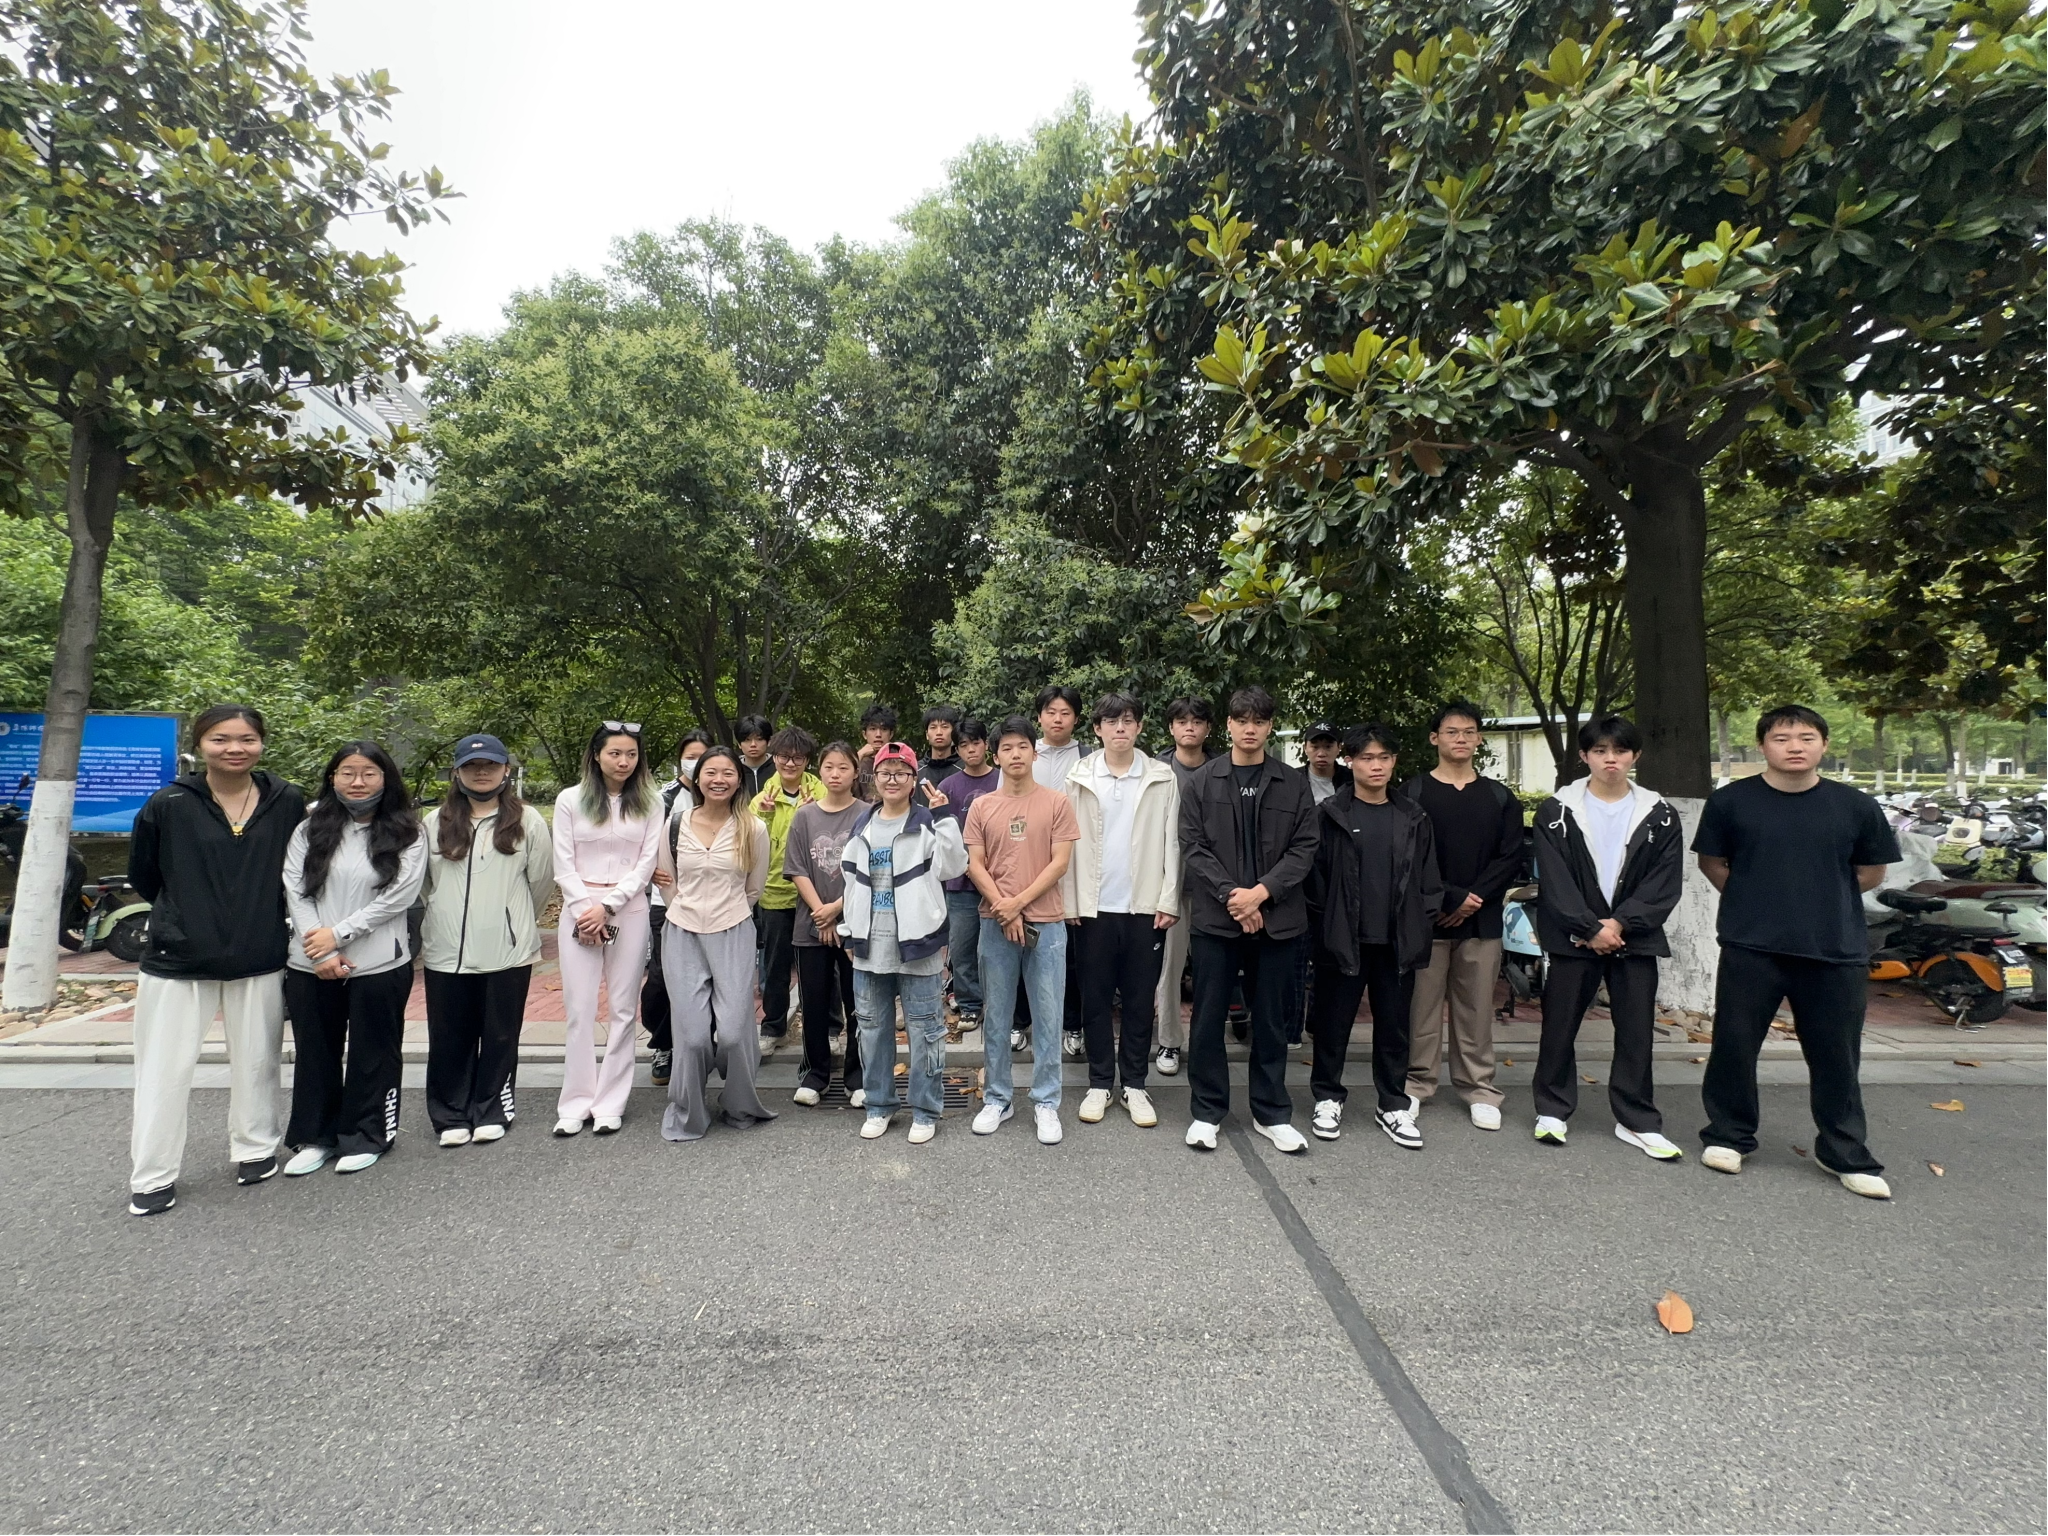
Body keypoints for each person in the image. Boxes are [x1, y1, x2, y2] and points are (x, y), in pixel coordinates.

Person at [1693, 705, 1900, 1199]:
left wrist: (1820, 897)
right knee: (1734, 1046)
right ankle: (1728, 1135)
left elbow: (1871, 872)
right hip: (1751, 945)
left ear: (1824, 745)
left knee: (1836, 1056)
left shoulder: (1855, 806)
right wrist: (1755, 899)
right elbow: (1713, 863)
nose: (1794, 747)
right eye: (1782, 738)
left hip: (1833, 949)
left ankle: (1844, 1151)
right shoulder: (1731, 802)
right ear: (1763, 745)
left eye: (1806, 737)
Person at [123, 705, 306, 1217]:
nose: (234, 749)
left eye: (246, 739)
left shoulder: (286, 800)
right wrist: (189, 915)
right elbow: (145, 875)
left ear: (261, 744)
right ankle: (153, 1175)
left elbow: (296, 870)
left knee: (258, 1061)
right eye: (221, 739)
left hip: (259, 951)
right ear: (200, 744)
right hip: (179, 956)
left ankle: (255, 1148)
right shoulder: (169, 803)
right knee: (163, 1070)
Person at [1530, 716, 1686, 1159]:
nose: (1610, 759)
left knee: (1636, 1031)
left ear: (1635, 756)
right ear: (1585, 756)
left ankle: (1637, 1119)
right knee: (1559, 1026)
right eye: (1600, 751)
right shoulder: (1556, 811)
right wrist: (1589, 927)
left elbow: (1664, 882)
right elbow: (1555, 881)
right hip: (1573, 939)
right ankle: (1552, 1110)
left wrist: (1619, 925)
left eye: (1620, 751)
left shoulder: (1660, 813)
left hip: (1634, 938)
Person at [1178, 686, 1322, 1153]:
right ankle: (1207, 1111)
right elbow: (1193, 845)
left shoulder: (1292, 782)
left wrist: (1260, 894)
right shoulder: (1203, 781)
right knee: (1208, 1019)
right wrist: (1233, 897)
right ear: (1229, 725)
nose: (1250, 729)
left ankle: (1272, 1112)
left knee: (1272, 1021)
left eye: (1259, 721)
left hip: (1278, 919)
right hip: (1217, 921)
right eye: (1242, 720)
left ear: (1269, 727)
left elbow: (1305, 846)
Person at [279, 740, 427, 1177]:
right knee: (315, 1051)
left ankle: (368, 1135)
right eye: (347, 772)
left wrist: (339, 935)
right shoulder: (308, 829)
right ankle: (316, 1137)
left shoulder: (408, 832)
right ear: (333, 778)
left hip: (378, 962)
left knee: (374, 1052)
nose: (357, 781)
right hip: (311, 962)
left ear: (385, 778)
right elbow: (295, 888)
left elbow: (399, 896)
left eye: (368, 773)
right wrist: (321, 946)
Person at [1305, 725, 1442, 1147]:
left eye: (1383, 757)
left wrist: (1421, 923)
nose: (1376, 765)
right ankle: (1327, 1097)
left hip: (1397, 940)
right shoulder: (1331, 814)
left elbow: (1429, 880)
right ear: (1350, 761)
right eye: (1366, 757)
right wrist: (1325, 928)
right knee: (1332, 1025)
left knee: (1395, 1028)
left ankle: (1393, 1104)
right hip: (1343, 937)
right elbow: (1315, 879)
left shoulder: (1413, 816)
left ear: (1394, 761)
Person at [420, 734, 554, 1148]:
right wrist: (443, 914)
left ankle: (493, 1108)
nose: (482, 773)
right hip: (446, 951)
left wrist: (514, 921)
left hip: (506, 950)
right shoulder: (434, 822)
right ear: (457, 772)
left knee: (500, 1034)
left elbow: (541, 882)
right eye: (472, 766)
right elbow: (425, 885)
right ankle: (450, 1114)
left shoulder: (527, 821)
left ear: (505, 770)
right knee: (448, 1035)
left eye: (491, 765)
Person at [1400, 701, 1523, 1131]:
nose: (1461, 739)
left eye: (1469, 732)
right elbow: (1408, 855)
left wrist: (1475, 898)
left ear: (1479, 739)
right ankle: (1416, 1084)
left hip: (1481, 919)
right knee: (1421, 1008)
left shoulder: (1499, 797)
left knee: (1476, 1008)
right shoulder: (1413, 793)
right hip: (1427, 918)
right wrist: (1449, 898)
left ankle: (1479, 1088)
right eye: (1452, 731)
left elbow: (1510, 855)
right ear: (1435, 738)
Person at [1062, 692, 1180, 1129]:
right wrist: (1070, 898)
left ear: (1140, 727)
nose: (1120, 729)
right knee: (1093, 998)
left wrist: (1168, 898)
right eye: (1111, 722)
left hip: (1144, 907)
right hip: (1092, 907)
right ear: (1097, 729)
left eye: (1128, 721)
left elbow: (1173, 842)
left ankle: (1134, 1083)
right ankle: (1099, 1083)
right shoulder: (1078, 776)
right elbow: (1066, 842)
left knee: (1138, 1000)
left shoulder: (1162, 777)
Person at [840, 743, 967, 1143]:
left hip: (919, 944)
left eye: (901, 773)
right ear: (874, 779)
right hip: (869, 945)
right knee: (872, 1030)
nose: (892, 780)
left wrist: (945, 817)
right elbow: (849, 884)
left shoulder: (928, 821)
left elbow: (954, 866)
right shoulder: (862, 824)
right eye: (885, 773)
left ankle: (926, 1110)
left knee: (926, 1031)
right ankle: (879, 1105)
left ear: (914, 779)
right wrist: (848, 930)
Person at [965, 716, 1079, 1145]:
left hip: (1046, 923)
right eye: (1007, 748)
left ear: (1034, 752)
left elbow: (1060, 863)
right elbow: (975, 864)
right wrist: (1005, 908)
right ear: (996, 756)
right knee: (997, 1014)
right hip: (994, 922)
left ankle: (1047, 1101)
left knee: (1048, 1015)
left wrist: (1017, 904)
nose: (1015, 754)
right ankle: (998, 1097)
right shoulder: (982, 806)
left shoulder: (1056, 802)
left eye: (1022, 747)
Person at [655, 745, 777, 1140]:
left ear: (739, 781)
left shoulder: (752, 828)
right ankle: (689, 1110)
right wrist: (686, 912)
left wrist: (727, 913)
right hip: (682, 932)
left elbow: (754, 888)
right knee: (691, 1037)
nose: (719, 780)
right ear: (697, 778)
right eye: (711, 772)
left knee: (734, 1033)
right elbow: (667, 880)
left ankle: (739, 1103)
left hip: (734, 930)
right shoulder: (675, 824)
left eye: (728, 773)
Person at [551, 722, 662, 1137]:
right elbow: (563, 863)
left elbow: (646, 863)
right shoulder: (570, 800)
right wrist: (586, 911)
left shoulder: (651, 802)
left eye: (631, 754)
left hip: (628, 910)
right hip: (579, 910)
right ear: (597, 755)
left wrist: (609, 906)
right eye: (615, 753)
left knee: (622, 1009)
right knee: (580, 1010)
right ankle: (576, 1102)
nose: (623, 762)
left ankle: (611, 1102)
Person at [785, 741, 867, 1108]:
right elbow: (797, 868)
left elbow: (869, 873)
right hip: (811, 925)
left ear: (855, 772)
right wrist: (821, 911)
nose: (835, 774)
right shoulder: (804, 817)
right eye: (829, 767)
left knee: (858, 1004)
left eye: (843, 767)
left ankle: (857, 1076)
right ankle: (814, 1075)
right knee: (814, 1005)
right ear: (819, 771)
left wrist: (836, 909)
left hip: (856, 924)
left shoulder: (867, 815)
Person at [642, 731, 709, 1088]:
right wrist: (648, 870)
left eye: (702, 756)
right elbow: (643, 844)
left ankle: (694, 1045)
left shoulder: (721, 793)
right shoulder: (663, 798)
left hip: (710, 903)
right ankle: (663, 1044)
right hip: (665, 901)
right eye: (690, 756)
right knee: (661, 977)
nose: (696, 763)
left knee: (702, 977)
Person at [1152, 696, 1215, 1077]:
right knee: (1170, 970)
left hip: (1214, 886)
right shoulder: (1157, 772)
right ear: (1171, 728)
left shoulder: (1222, 769)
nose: (1189, 727)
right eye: (1182, 721)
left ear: (1208, 728)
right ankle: (1169, 1042)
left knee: (1212, 971)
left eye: (1197, 721)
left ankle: (1206, 1045)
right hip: (1169, 887)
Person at [751, 726, 822, 1050]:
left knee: (821, 967)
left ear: (807, 760)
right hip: (775, 893)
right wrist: (765, 817)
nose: (790, 763)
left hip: (816, 896)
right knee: (775, 966)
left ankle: (827, 1028)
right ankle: (773, 1028)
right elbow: (751, 845)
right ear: (774, 758)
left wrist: (812, 812)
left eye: (797, 758)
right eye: (783, 757)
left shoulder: (822, 794)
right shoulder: (760, 800)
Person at [1031, 684, 1088, 1058]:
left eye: (1065, 712)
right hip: (1029, 865)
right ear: (1039, 717)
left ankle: (1073, 1025)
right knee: (1026, 944)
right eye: (1050, 712)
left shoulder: (1088, 759)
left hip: (1074, 866)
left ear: (1077, 719)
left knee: (1073, 955)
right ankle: (1023, 1022)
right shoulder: (1025, 753)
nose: (1057, 719)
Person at [936, 718, 999, 1035]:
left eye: (976, 742)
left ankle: (1000, 1005)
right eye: (963, 745)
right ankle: (970, 1005)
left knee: (998, 948)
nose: (971, 749)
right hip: (960, 884)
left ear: (986, 744)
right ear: (957, 750)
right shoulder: (947, 787)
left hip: (999, 880)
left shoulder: (1002, 780)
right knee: (962, 949)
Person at [855, 703, 898, 801]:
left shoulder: (899, 760)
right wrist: (858, 756)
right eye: (873, 729)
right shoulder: (859, 760)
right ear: (864, 734)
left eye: (884, 729)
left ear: (891, 734)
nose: (878, 734)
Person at [919, 704, 963, 787]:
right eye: (933, 727)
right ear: (927, 735)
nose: (939, 732)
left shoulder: (965, 769)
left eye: (945, 727)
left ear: (954, 733)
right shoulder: (916, 771)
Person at [734, 715, 776, 799]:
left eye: (759, 739)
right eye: (747, 740)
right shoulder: (734, 769)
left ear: (768, 741)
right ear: (739, 744)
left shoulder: (779, 766)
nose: (753, 744)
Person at [1302, 721, 1342, 804]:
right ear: (1305, 748)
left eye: (1328, 747)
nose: (1321, 754)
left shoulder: (1352, 780)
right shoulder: (1292, 780)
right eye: (1315, 747)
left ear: (1339, 747)